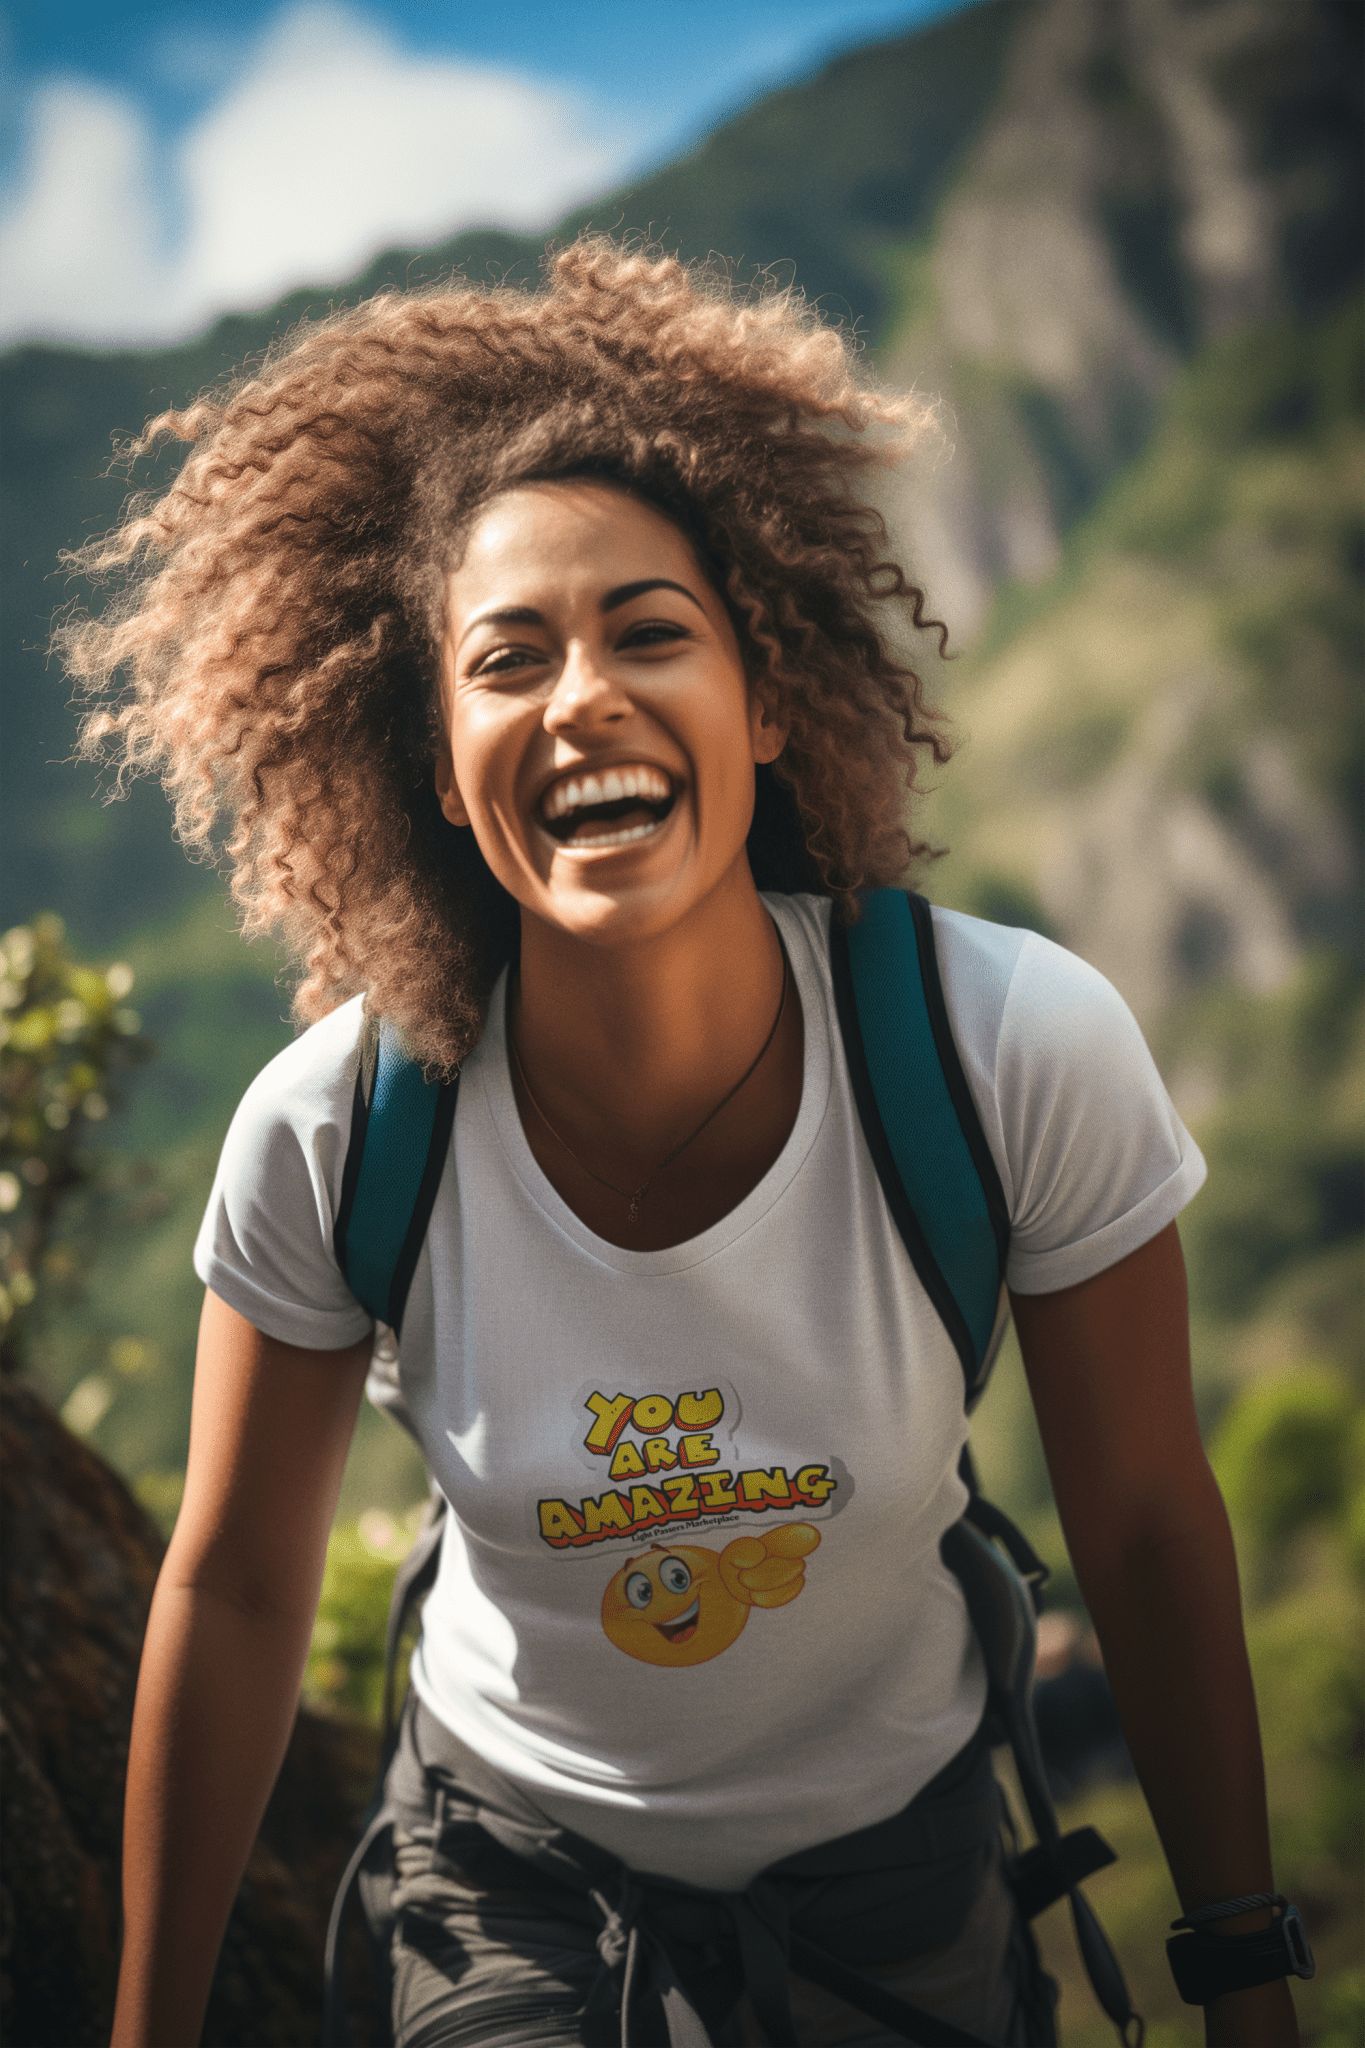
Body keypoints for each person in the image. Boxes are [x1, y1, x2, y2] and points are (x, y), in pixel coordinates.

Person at [62, 240, 1298, 2048]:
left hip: (905, 1892)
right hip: (514, 1900)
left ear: (770, 699)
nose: (584, 700)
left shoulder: (1001, 1049)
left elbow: (1144, 1523)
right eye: (509, 660)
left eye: (653, 632)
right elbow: (239, 1589)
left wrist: (1246, 1982)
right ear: (431, 751)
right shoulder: (339, 1135)